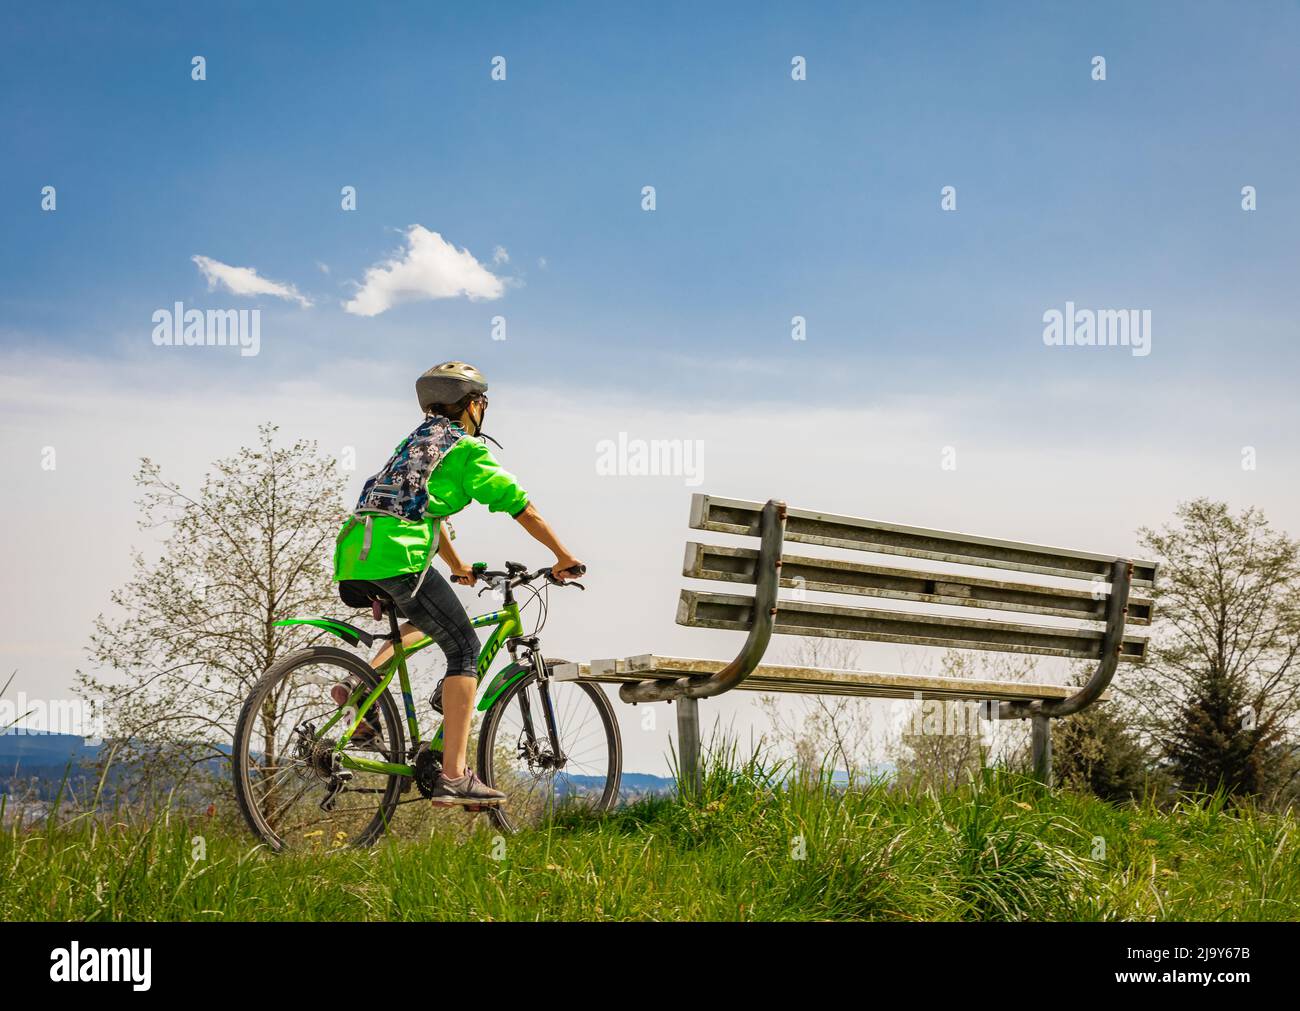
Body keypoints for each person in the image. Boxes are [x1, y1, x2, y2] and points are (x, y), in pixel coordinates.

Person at [332, 361, 585, 807]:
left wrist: (459, 564)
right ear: (472, 406)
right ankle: (453, 775)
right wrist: (563, 557)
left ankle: (361, 698)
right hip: (399, 556)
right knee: (465, 649)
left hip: (355, 554)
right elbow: (520, 506)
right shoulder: (467, 451)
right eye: (483, 402)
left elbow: (424, 512)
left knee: (417, 624)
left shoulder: (415, 444)